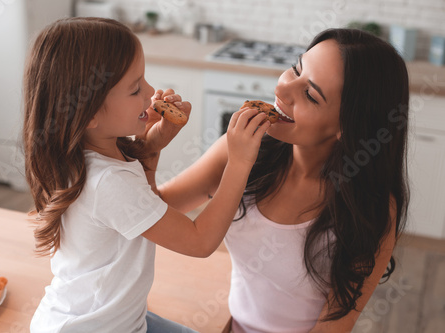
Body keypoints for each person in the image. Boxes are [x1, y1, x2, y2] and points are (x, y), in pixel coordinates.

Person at [151, 28, 410, 332]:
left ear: (349, 127)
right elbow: (152, 211)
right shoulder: (244, 152)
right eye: (296, 69)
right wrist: (150, 146)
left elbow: (335, 326)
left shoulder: (372, 209)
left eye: (310, 95)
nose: (284, 90)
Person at [23, 17, 270, 333]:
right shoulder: (109, 182)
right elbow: (200, 241)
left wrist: (151, 146)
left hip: (108, 319)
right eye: (135, 88)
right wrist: (238, 162)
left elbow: (143, 211)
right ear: (90, 114)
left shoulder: (85, 155)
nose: (151, 92)